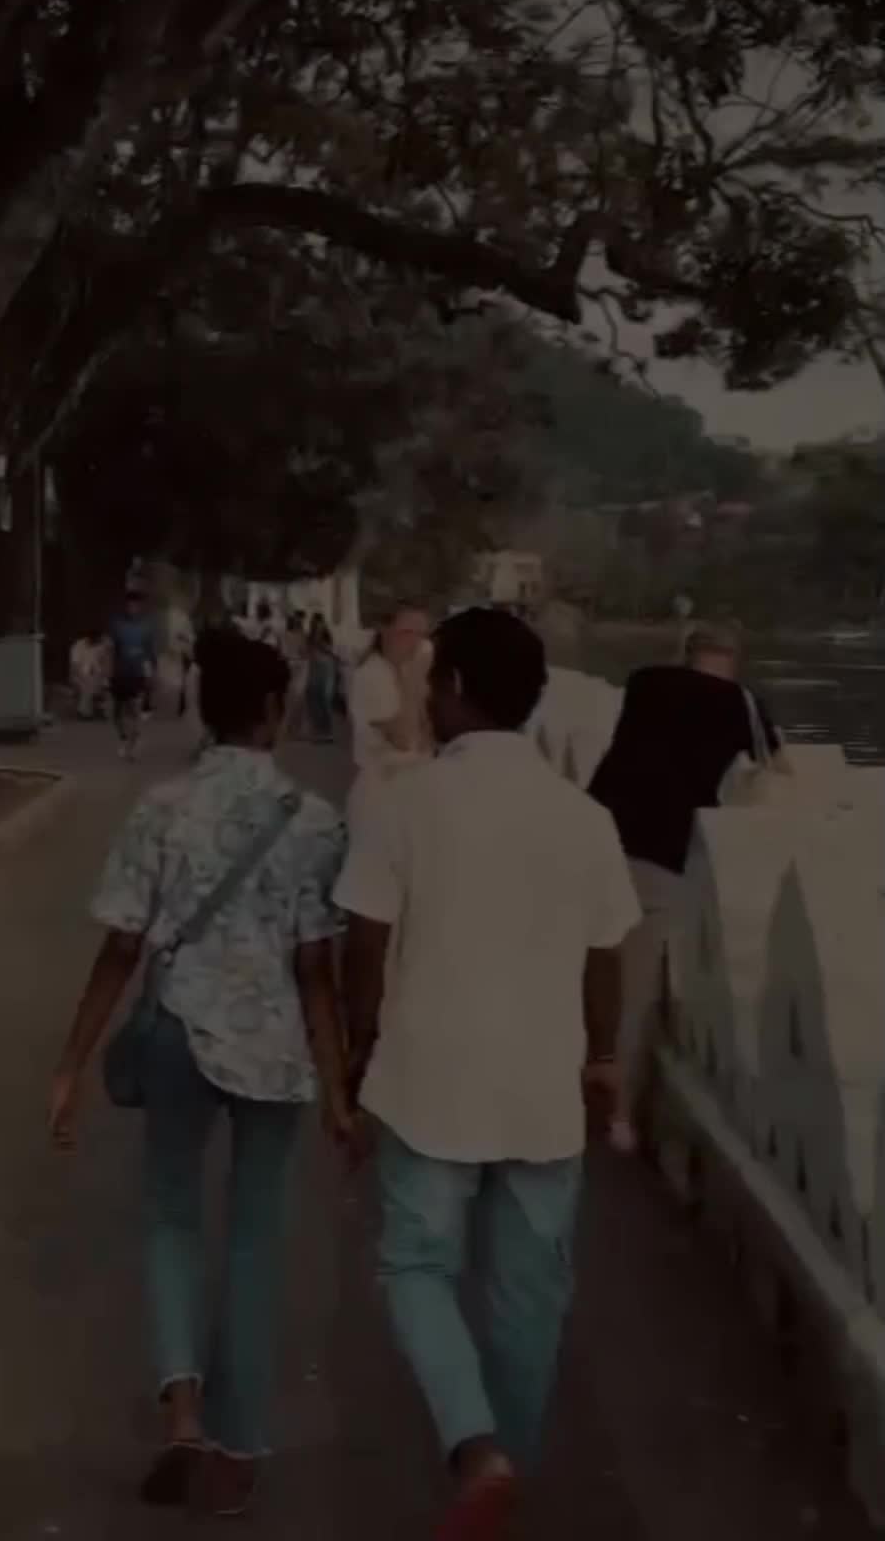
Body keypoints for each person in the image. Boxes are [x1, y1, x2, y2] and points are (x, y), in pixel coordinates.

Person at [337, 609, 639, 1540]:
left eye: (433, 679)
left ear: (458, 685)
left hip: (429, 1078)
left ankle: (476, 1450)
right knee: (529, 1298)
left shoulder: (404, 804)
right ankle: (508, 1483)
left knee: (416, 1266)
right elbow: (605, 956)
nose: (426, 695)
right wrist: (600, 1059)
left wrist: (356, 1054)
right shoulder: (585, 818)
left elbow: (364, 942)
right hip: (543, 1087)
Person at [49, 630, 352, 1517]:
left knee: (172, 1218)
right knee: (255, 1240)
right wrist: (339, 1092)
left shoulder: (163, 806)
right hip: (274, 1050)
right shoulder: (314, 820)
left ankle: (182, 1416)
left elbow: (121, 946)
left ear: (206, 710)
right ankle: (237, 1445)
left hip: (178, 1031)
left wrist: (70, 1063)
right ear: (274, 711)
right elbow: (317, 972)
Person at [588, 620, 783, 1151]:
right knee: (634, 986)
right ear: (733, 662)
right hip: (659, 852)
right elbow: (777, 768)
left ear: (685, 654)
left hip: (594, 834)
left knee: (577, 960)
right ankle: (618, 1114)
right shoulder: (742, 704)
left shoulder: (644, 681)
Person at [348, 603, 432, 776]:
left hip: (413, 774)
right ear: (384, 630)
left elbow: (428, 729)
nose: (416, 643)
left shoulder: (404, 669)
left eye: (421, 634)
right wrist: (414, 682)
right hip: (383, 779)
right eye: (406, 632)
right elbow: (403, 740)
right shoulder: (371, 675)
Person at [108, 588, 157, 760]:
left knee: (135, 710)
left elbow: (150, 653)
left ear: (141, 606)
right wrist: (108, 672)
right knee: (117, 712)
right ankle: (124, 738)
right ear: (126, 605)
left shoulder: (146, 627)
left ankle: (132, 745)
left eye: (137, 604)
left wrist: (150, 675)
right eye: (131, 604)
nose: (134, 607)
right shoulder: (117, 625)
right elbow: (111, 649)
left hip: (137, 674)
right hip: (120, 673)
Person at [304, 614, 338, 744]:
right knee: (313, 700)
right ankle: (318, 731)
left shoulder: (325, 636)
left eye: (320, 623)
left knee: (324, 700)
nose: (318, 626)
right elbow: (307, 651)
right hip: (314, 669)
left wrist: (319, 643)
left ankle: (327, 732)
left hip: (325, 669)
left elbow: (330, 650)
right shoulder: (310, 637)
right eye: (316, 623)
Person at [70, 630, 109, 720]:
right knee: (87, 684)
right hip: (80, 674)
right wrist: (84, 676)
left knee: (104, 682)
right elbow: (75, 666)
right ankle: (84, 711)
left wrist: (103, 674)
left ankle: (98, 708)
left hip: (97, 674)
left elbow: (105, 663)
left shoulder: (102, 646)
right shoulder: (78, 646)